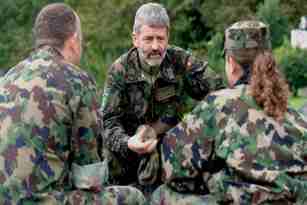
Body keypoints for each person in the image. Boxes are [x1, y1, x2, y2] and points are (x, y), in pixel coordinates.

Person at [0, 3, 145, 204]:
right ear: (74, 40)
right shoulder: (77, 80)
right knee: (133, 197)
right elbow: (91, 178)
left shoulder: (7, 78)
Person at [151, 21, 307, 204]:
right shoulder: (296, 116)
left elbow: (173, 169)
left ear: (231, 63)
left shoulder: (218, 104)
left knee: (161, 194)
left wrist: (210, 179)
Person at [101, 2, 224, 191]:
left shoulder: (180, 60)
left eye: (161, 38)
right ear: (135, 39)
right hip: (127, 156)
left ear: (168, 38)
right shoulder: (120, 70)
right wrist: (128, 142)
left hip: (169, 153)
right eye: (148, 39)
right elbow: (108, 122)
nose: (156, 46)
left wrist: (196, 124)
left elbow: (220, 93)